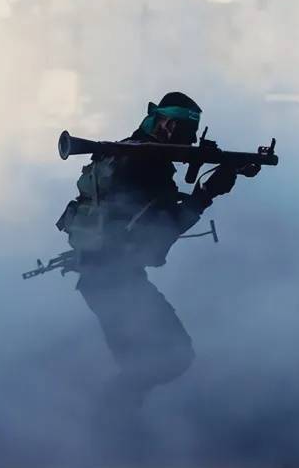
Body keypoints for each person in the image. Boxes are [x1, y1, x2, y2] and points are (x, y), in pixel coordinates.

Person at [56, 92, 238, 414]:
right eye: (184, 131)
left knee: (150, 362)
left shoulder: (124, 153)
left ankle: (112, 418)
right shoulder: (146, 165)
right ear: (166, 125)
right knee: (171, 358)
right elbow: (158, 238)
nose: (187, 139)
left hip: (104, 278)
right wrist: (207, 194)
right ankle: (104, 420)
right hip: (115, 282)